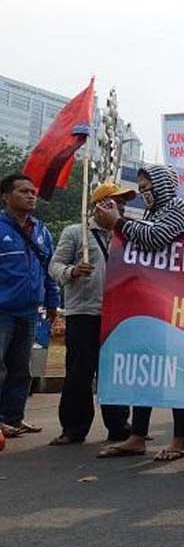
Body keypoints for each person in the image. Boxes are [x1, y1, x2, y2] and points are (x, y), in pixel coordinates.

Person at [94, 165, 184, 460]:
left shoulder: (176, 207)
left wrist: (119, 223)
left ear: (161, 185)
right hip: (148, 303)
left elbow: (155, 239)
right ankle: (137, 436)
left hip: (172, 302)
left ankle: (180, 440)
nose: (144, 193)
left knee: (176, 373)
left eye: (146, 186)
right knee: (144, 368)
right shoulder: (149, 215)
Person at [48, 182, 136, 445]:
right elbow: (55, 265)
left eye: (122, 202)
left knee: (114, 371)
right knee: (79, 372)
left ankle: (119, 425)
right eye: (114, 201)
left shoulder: (127, 235)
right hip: (84, 311)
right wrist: (72, 271)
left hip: (117, 314)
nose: (121, 206)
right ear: (99, 205)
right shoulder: (77, 233)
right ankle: (74, 428)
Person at [0, 174, 59, 439]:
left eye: (33, 192)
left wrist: (52, 302)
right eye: (24, 191)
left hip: (29, 312)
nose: (31, 196)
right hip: (2, 311)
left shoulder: (41, 230)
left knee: (21, 369)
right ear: (5, 196)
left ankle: (13, 418)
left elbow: (49, 271)